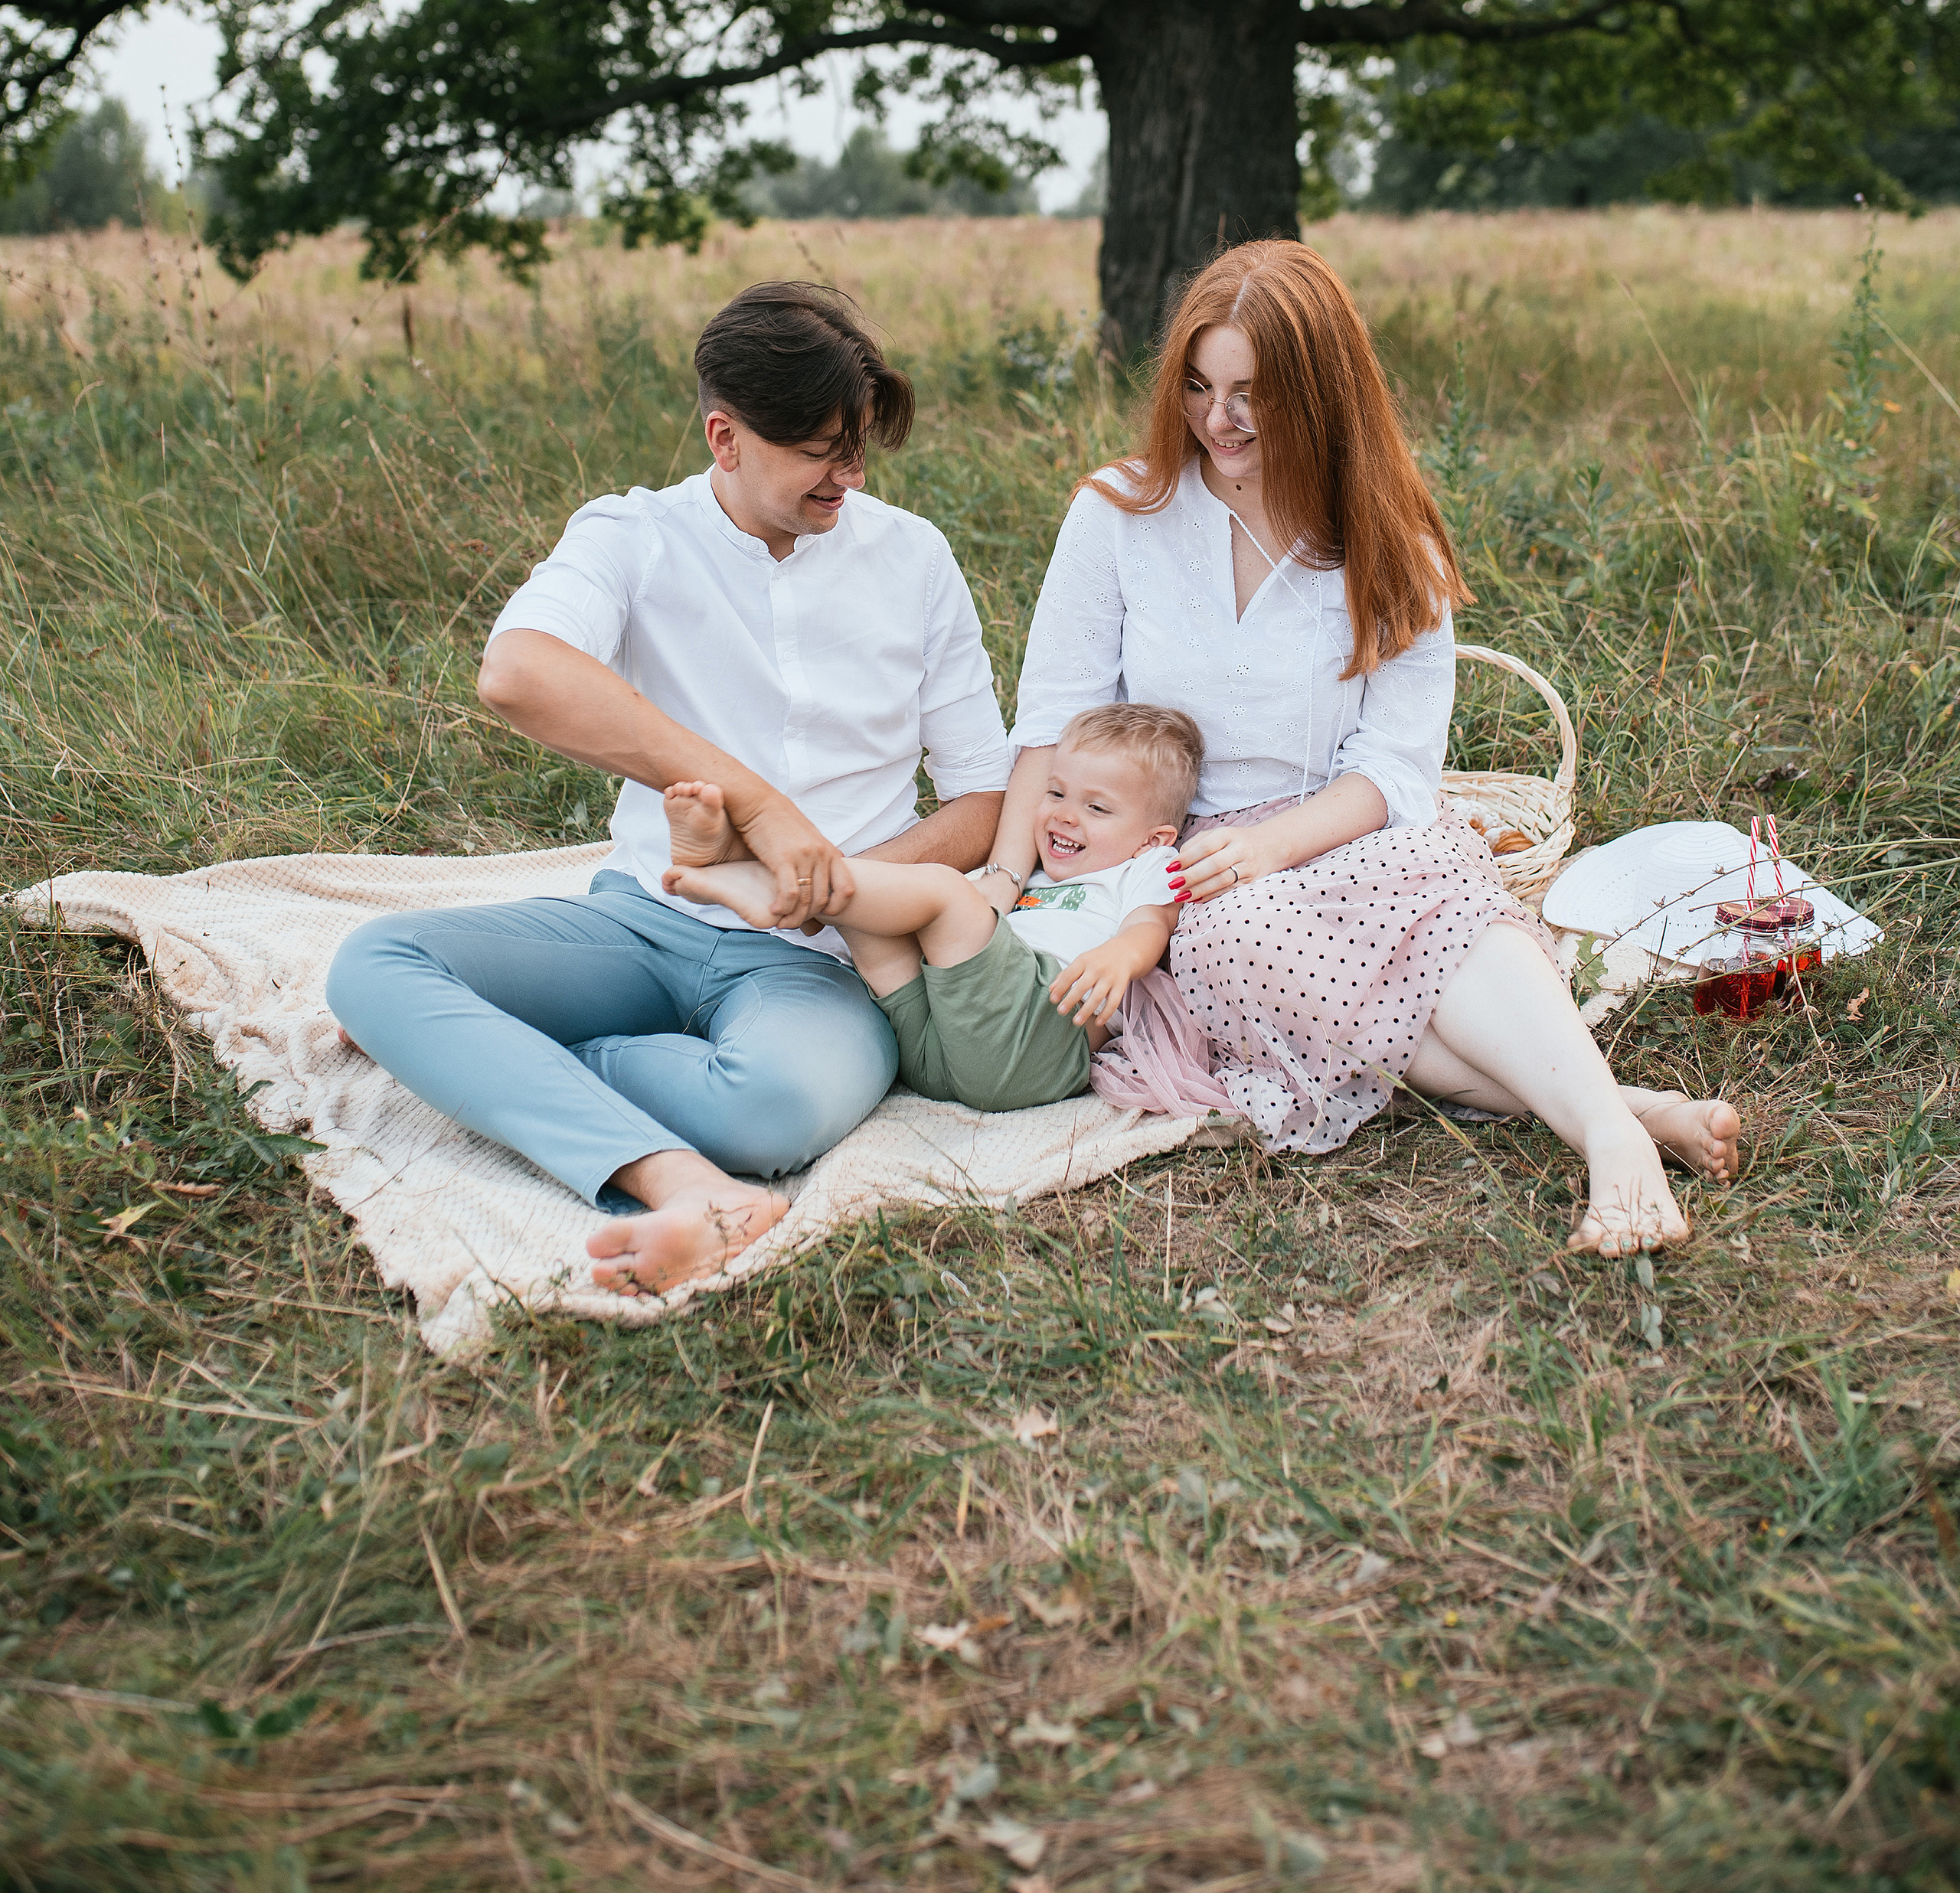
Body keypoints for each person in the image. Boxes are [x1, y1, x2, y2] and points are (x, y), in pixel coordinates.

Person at [998, 241, 1740, 1254]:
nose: (1222, 421)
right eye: (1202, 389)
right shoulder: (1119, 514)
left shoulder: (1393, 546)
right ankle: (1623, 1109)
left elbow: (1395, 772)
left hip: (1343, 821)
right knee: (1243, 930)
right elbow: (1054, 713)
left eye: (1254, 393)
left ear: (1322, 396)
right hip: (1196, 849)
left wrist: (1282, 843)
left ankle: (1612, 1136)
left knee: (1435, 908)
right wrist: (1005, 876)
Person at [326, 282, 1010, 1297]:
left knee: (772, 1114)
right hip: (648, 920)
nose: (852, 475)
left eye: (860, 445)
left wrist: (834, 883)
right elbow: (516, 672)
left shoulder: (914, 558)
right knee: (374, 967)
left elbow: (982, 806)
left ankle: (500, 1059)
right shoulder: (634, 534)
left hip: (818, 960)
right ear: (725, 438)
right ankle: (681, 1183)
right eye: (823, 450)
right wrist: (760, 809)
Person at [660, 702, 1197, 1112]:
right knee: (873, 923)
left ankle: (773, 878)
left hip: (1035, 1042)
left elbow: (1153, 924)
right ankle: (759, 870)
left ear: (1152, 840)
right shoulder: (1029, 868)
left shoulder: (1144, 868)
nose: (1065, 816)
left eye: (1096, 807)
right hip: (937, 1054)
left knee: (942, 892)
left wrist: (1122, 957)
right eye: (1055, 794)